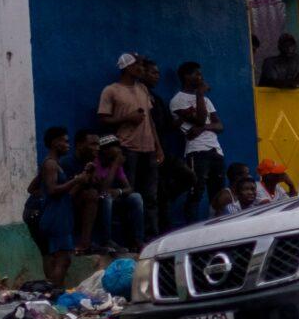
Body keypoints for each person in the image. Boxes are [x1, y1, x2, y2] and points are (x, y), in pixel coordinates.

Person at [95, 54, 163, 225]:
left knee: (150, 195)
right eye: (138, 64)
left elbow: (150, 121)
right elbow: (103, 119)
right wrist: (127, 118)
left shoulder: (143, 89)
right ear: (127, 67)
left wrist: (158, 147)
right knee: (128, 195)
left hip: (148, 149)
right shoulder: (111, 90)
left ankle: (150, 236)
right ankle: (130, 237)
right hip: (127, 148)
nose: (141, 68)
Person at [170, 62, 226, 222]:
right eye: (197, 74)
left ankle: (218, 229)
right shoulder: (177, 100)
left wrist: (203, 128)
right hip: (196, 151)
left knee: (218, 195)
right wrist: (200, 95)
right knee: (196, 193)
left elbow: (220, 126)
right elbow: (200, 119)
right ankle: (192, 232)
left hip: (216, 150)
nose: (201, 77)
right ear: (186, 77)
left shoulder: (207, 101)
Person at [27, 127, 80, 286]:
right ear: (55, 143)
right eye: (65, 141)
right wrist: (76, 181)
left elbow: (31, 189)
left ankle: (50, 292)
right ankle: (54, 293)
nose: (68, 145)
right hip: (56, 218)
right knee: (63, 259)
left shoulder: (49, 164)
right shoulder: (51, 165)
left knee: (51, 257)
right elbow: (52, 190)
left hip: (52, 215)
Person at [75, 138, 146, 254]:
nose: (118, 151)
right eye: (114, 147)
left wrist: (119, 191)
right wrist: (115, 165)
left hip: (112, 199)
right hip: (97, 201)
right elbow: (103, 189)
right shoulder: (96, 162)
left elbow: (129, 188)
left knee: (136, 197)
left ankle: (138, 241)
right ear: (105, 150)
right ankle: (106, 240)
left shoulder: (115, 164)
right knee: (107, 197)